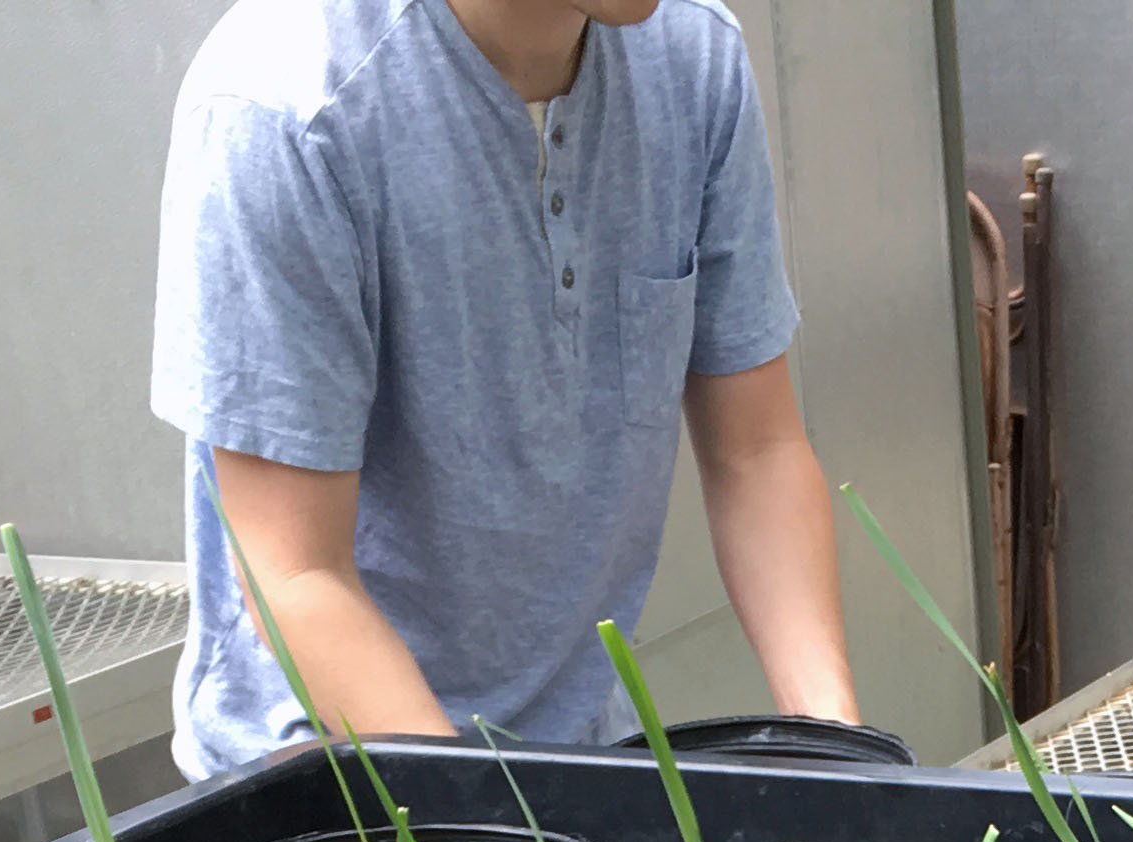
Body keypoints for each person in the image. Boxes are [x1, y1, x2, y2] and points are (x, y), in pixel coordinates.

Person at [151, 0, 858, 779]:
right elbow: (294, 573)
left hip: (579, 752)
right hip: (331, 775)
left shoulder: (694, 55)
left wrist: (846, 762)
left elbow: (757, 452)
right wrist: (493, 827)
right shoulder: (282, 105)